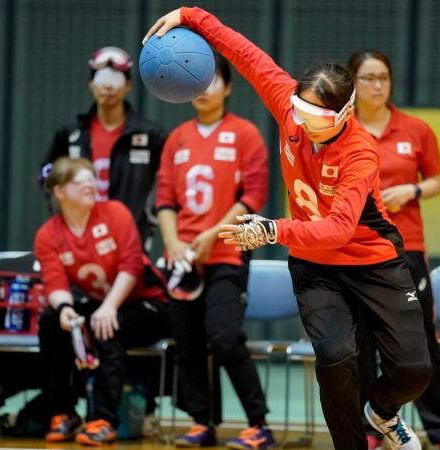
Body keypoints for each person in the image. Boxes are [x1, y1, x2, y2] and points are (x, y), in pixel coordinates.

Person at [144, 9, 432, 450]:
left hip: (373, 261)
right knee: (335, 357)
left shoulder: (361, 152)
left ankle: (383, 413)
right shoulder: (287, 106)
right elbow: (243, 52)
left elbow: (337, 229)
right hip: (316, 267)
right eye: (298, 109)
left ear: (343, 113)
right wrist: (189, 15)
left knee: (414, 371)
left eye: (316, 115)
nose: (301, 121)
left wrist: (272, 230)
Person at [347, 50, 440, 450]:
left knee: (421, 342)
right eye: (368, 78)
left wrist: (410, 190)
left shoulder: (416, 130)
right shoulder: (340, 129)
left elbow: (435, 181)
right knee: (360, 342)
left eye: (384, 77)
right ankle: (372, 427)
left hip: (406, 248)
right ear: (353, 83)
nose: (378, 85)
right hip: (355, 252)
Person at [156, 54, 271, 449]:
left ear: (228, 86)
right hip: (183, 256)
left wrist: (215, 234)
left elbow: (253, 194)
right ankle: (200, 422)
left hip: (226, 252)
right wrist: (172, 243)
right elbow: (165, 198)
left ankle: (259, 424)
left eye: (212, 80)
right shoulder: (177, 138)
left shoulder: (246, 134)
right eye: (196, 81)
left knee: (224, 338)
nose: (204, 89)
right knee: (187, 343)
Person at [34, 157, 171, 446]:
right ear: (59, 191)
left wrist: (108, 307)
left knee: (107, 325)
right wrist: (65, 308)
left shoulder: (115, 213)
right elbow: (54, 282)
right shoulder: (48, 234)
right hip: (104, 303)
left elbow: (131, 266)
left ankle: (103, 419)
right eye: (79, 180)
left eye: (91, 178)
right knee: (50, 321)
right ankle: (63, 413)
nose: (89, 184)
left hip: (151, 305)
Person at [42, 46, 165, 244]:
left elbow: (170, 181)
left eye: (116, 79)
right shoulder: (71, 133)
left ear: (129, 85)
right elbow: (47, 174)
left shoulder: (151, 135)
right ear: (91, 84)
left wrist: (152, 216)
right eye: (101, 78)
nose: (108, 86)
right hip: (79, 238)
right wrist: (60, 208)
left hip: (132, 238)